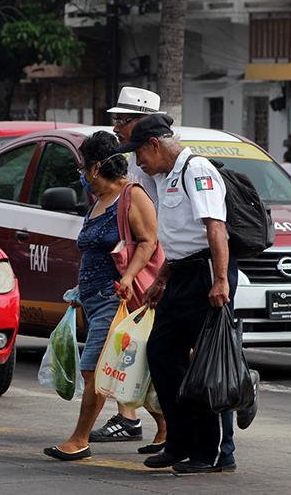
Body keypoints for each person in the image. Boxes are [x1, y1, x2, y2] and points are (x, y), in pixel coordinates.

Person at [118, 113, 239, 474]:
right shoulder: (167, 176)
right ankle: (179, 442)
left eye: (139, 153)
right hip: (182, 274)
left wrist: (220, 280)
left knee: (206, 365)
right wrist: (161, 280)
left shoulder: (196, 171)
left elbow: (214, 228)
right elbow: (178, 239)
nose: (138, 162)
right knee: (162, 352)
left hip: (206, 274)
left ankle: (214, 452)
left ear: (155, 144)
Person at [43, 131, 159, 461]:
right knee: (133, 372)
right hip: (94, 299)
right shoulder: (98, 200)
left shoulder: (131, 196)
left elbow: (149, 241)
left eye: (82, 167)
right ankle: (167, 428)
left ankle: (79, 439)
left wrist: (127, 276)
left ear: (95, 167)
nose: (81, 174)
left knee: (95, 369)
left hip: (116, 298)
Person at [87, 86, 167, 454]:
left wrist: (132, 274)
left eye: (124, 119)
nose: (118, 126)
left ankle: (233, 391)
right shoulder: (130, 160)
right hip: (128, 278)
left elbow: (150, 234)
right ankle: (140, 420)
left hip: (151, 275)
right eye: (117, 119)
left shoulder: (148, 165)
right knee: (135, 357)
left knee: (140, 356)